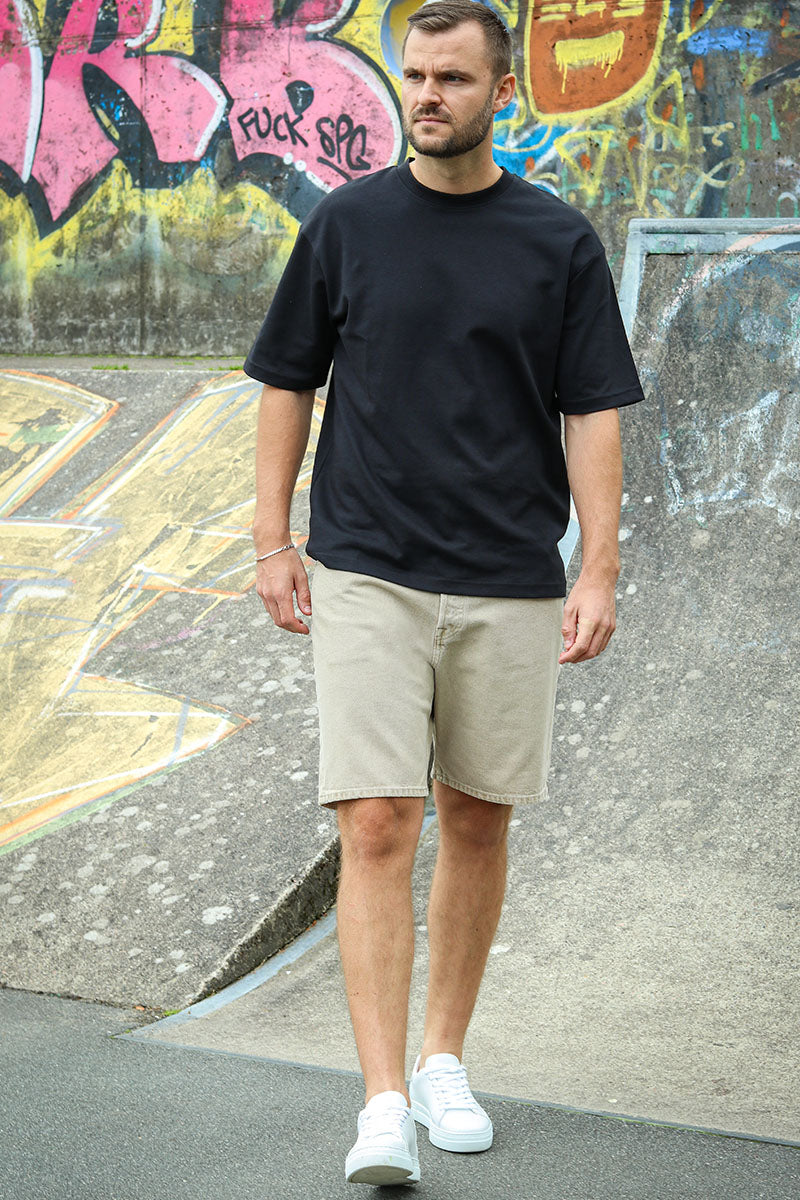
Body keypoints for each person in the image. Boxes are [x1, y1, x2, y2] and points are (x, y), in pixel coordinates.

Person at [244, 0, 644, 1185]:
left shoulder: (555, 240)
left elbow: (592, 411)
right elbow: (285, 381)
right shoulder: (346, 224)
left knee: (476, 817)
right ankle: (380, 1104)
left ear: (499, 92)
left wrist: (598, 567)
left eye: (453, 78)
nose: (427, 95)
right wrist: (270, 541)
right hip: (366, 564)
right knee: (376, 820)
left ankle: (441, 1060)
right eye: (416, 75)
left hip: (508, 575)